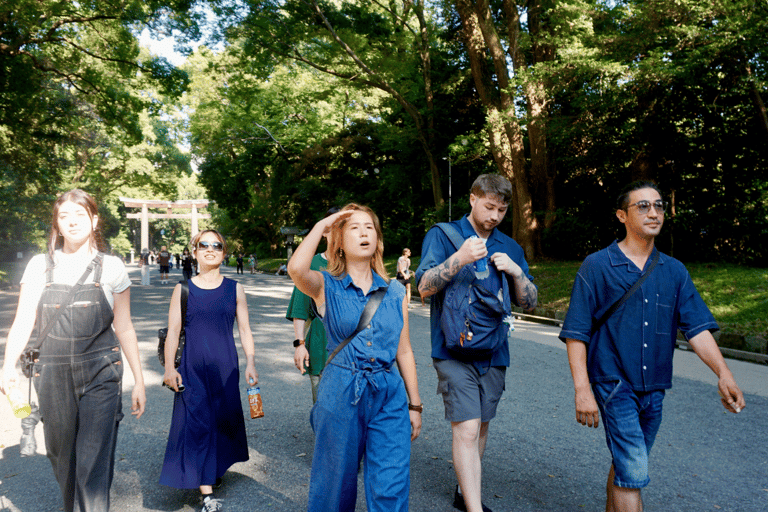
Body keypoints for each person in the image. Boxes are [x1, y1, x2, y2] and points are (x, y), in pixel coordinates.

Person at [559, 180, 746, 512]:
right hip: (613, 383)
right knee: (633, 468)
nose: (653, 212)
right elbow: (577, 333)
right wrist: (582, 389)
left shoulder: (673, 270)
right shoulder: (597, 265)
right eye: (642, 206)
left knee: (628, 462)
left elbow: (697, 329)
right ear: (622, 215)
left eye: (658, 205)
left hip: (655, 387)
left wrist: (724, 373)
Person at [0, 189, 146, 512]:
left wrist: (138, 380)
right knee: (61, 455)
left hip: (101, 371)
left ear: (94, 220)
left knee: (93, 461)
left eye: (80, 214)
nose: (72, 222)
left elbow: (124, 326)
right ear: (56, 224)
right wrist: (7, 367)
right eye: (64, 216)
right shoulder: (40, 265)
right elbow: (23, 320)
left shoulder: (112, 267)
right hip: (51, 373)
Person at [288, 203, 422, 512]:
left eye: (369, 227)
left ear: (378, 239)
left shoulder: (394, 291)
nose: (364, 233)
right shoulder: (325, 285)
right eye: (354, 228)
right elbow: (296, 270)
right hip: (341, 389)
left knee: (392, 484)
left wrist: (415, 404)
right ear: (339, 242)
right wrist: (322, 225)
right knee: (334, 485)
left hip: (388, 393)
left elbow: (404, 350)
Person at [415, 174, 537, 512]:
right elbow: (423, 287)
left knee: (481, 425)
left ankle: (463, 489)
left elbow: (529, 302)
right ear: (472, 198)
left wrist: (516, 272)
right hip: (451, 349)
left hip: (495, 350)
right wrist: (460, 258)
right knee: (467, 428)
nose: (495, 216)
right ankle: (474, 507)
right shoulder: (443, 235)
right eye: (489, 206)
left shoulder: (510, 246)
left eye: (501, 210)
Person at [159, 230, 258, 512]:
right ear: (195, 252)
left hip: (226, 368)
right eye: (204, 245)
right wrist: (169, 368)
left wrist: (251, 361)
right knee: (197, 422)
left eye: (216, 245)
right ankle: (206, 494)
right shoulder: (183, 289)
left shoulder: (235, 289)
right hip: (192, 367)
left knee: (222, 421)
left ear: (224, 253)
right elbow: (174, 331)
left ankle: (211, 469)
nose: (210, 249)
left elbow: (245, 329)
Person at [285, 208, 338, 403]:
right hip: (319, 341)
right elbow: (300, 308)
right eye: (333, 227)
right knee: (323, 403)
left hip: (351, 343)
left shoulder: (356, 265)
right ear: (324, 231)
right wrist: (300, 345)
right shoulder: (311, 263)